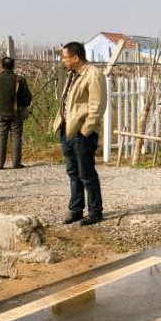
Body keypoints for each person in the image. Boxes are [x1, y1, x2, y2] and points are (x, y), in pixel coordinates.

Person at [52, 42, 106, 226]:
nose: (63, 61)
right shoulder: (73, 75)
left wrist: (86, 130)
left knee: (86, 173)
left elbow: (97, 106)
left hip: (81, 132)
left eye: (65, 57)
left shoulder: (93, 74)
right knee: (73, 171)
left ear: (75, 58)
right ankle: (76, 209)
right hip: (68, 129)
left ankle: (95, 211)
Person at [0, 56, 32, 169]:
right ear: (13, 66)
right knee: (16, 137)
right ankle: (16, 163)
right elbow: (27, 96)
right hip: (15, 112)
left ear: (1, 66)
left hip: (0, 112)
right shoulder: (19, 79)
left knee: (1, 138)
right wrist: (24, 105)